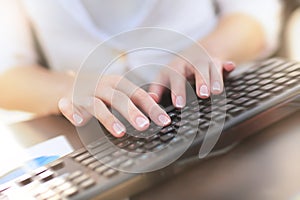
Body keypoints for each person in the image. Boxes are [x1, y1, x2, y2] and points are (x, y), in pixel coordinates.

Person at [0, 0, 282, 137]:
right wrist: (69, 88)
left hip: (221, 106)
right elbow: (6, 74)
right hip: (102, 138)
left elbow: (255, 11)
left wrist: (212, 49)